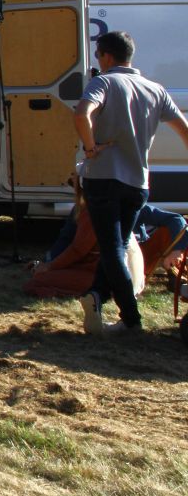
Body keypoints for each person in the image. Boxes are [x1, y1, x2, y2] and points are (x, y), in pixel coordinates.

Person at [74, 30, 188, 334]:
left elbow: (82, 114)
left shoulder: (104, 82)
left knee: (112, 248)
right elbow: (184, 129)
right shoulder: (155, 89)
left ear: (106, 56)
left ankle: (131, 318)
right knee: (120, 244)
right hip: (138, 181)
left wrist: (89, 148)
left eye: (98, 55)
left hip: (103, 176)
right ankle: (95, 296)